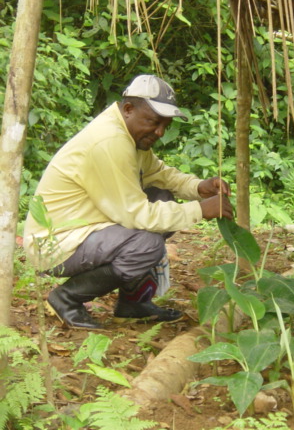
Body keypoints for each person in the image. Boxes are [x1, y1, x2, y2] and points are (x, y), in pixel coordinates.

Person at [23, 74, 235, 329]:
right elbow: (138, 215)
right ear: (128, 109)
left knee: (161, 196)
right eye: (154, 122)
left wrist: (198, 188)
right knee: (146, 244)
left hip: (86, 229)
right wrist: (200, 210)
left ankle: (132, 304)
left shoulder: (130, 135)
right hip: (55, 244)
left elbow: (160, 174)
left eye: (165, 125)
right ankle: (66, 298)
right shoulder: (110, 141)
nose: (159, 132)